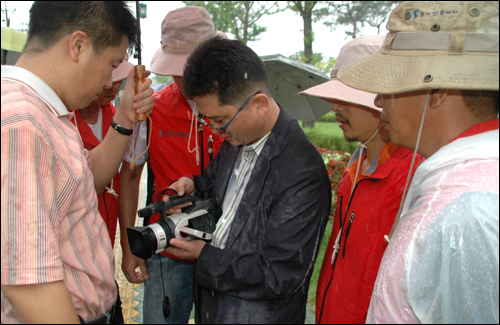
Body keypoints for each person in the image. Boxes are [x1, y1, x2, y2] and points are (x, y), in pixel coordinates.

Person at [337, 1, 499, 323]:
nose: (379, 101)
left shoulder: (466, 216)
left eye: (390, 84)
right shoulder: (465, 193)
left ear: (436, 90)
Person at [1, 2, 154, 324]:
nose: (109, 80)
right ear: (78, 45)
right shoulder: (21, 124)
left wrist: (125, 117)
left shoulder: (46, 111)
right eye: (112, 63)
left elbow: (87, 178)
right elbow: (28, 282)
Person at [162, 36, 332, 324]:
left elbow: (280, 274)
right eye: (207, 121)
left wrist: (205, 257)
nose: (215, 130)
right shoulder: (236, 137)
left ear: (259, 104)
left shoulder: (302, 173)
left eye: (220, 120)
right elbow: (216, 186)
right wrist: (193, 185)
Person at [298, 35, 422, 324]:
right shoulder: (358, 163)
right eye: (334, 95)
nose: (334, 107)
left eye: (346, 97)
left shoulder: (413, 177)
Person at [119, 6, 224, 324]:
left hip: (224, 249)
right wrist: (129, 246)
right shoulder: (152, 110)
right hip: (168, 247)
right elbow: (130, 173)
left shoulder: (237, 106)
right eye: (176, 68)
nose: (182, 78)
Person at [71, 56, 134, 248]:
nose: (114, 86)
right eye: (111, 75)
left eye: (120, 78)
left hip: (105, 237)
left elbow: (128, 178)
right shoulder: (62, 121)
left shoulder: (117, 117)